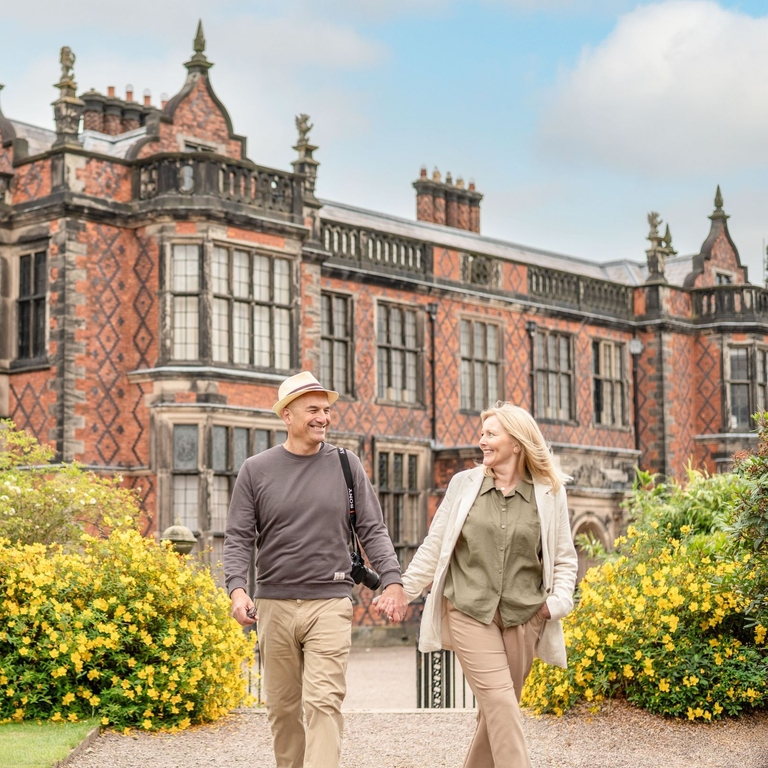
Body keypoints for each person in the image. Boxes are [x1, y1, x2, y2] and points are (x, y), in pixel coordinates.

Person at [376, 402, 577, 768]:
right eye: (482, 433)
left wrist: (555, 604)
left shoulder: (549, 492)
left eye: (490, 434)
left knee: (497, 714)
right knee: (501, 702)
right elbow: (435, 545)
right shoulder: (463, 485)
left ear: (516, 443)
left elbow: (563, 557)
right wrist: (404, 589)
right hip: (468, 611)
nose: (481, 441)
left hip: (524, 615)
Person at [224, 371, 408, 768]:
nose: (323, 417)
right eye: (313, 409)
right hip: (273, 604)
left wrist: (392, 581)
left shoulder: (346, 465)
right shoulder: (256, 470)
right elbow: (238, 536)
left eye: (326, 410)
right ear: (287, 415)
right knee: (283, 710)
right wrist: (237, 589)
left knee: (323, 702)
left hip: (330, 600)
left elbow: (372, 528)